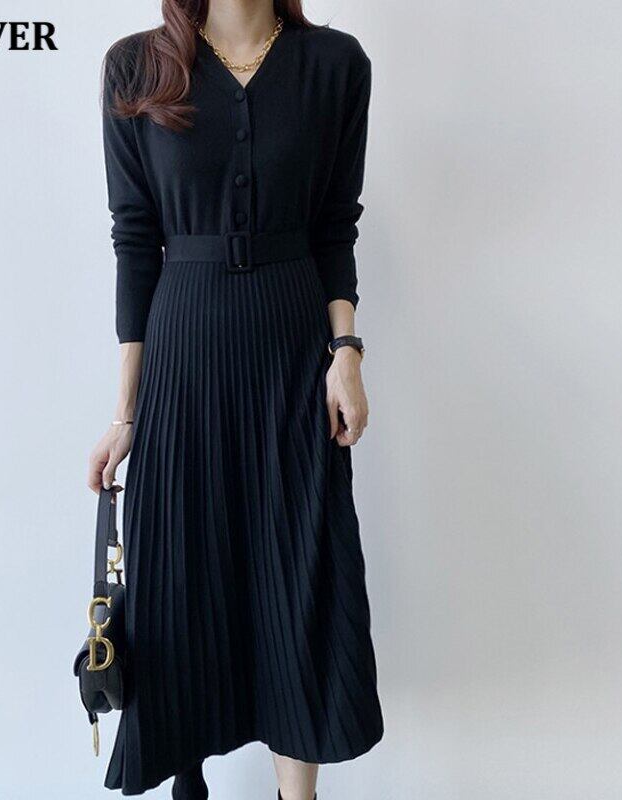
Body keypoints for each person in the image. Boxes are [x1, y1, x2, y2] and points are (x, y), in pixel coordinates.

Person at [88, 1, 383, 797]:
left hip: (292, 358)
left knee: (299, 574)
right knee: (181, 581)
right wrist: (125, 415)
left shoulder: (335, 67)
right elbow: (134, 238)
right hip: (183, 358)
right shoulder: (136, 67)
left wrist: (346, 354)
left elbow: (335, 228)